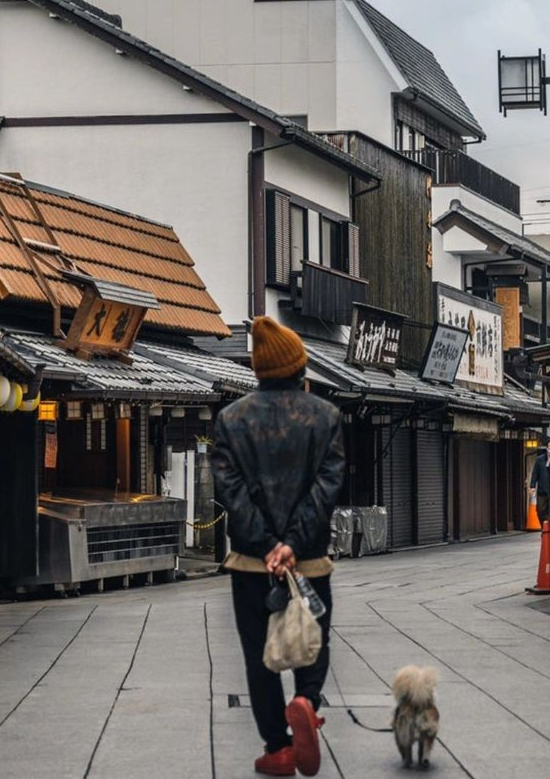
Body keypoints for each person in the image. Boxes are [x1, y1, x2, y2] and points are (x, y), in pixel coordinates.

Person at [212, 316, 345, 778]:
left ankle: (278, 748)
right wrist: (291, 545)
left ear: (258, 371)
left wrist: (268, 545)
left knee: (258, 655)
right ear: (299, 368)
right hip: (309, 561)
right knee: (316, 637)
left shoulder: (231, 420)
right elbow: (326, 488)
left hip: (250, 563)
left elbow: (231, 492)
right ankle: (307, 699)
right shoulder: (325, 417)